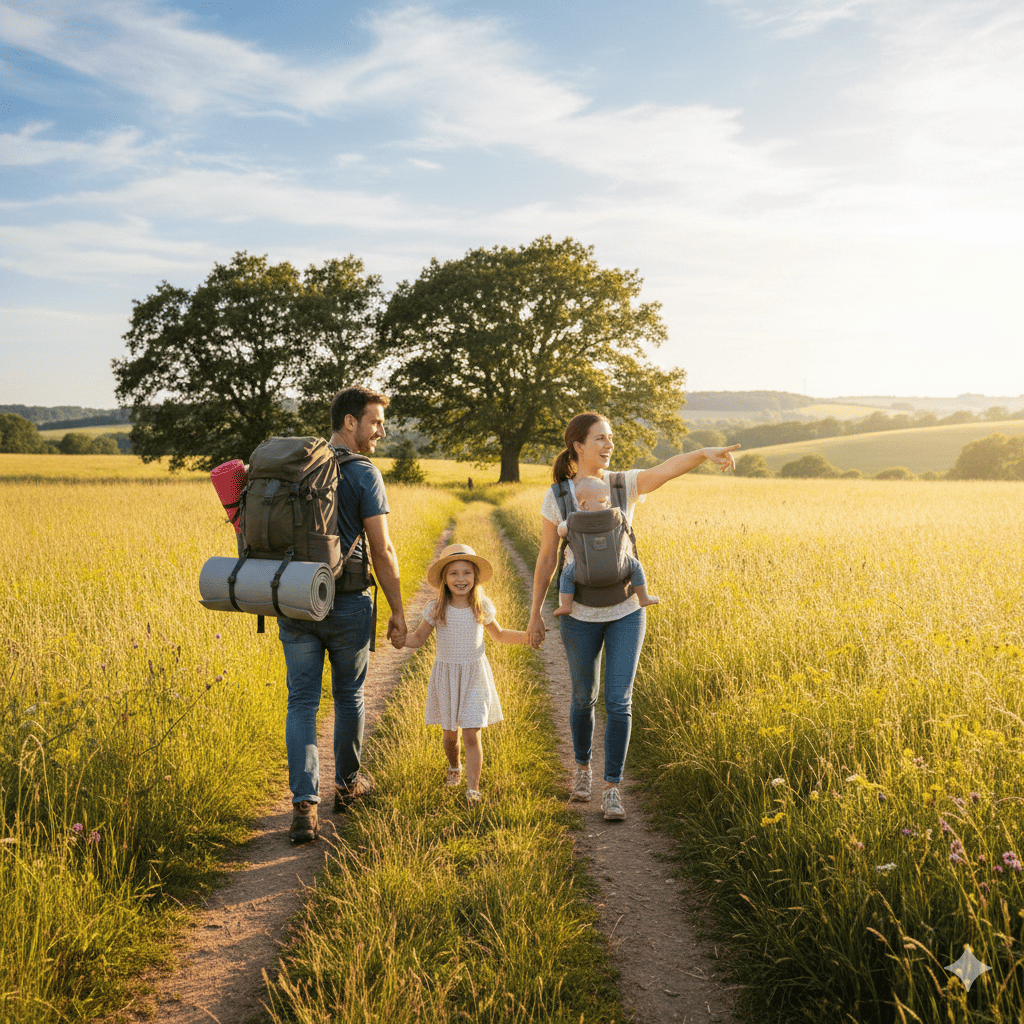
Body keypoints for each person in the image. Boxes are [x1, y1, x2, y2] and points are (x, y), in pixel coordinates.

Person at [527, 413, 739, 821]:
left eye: (611, 438)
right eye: (600, 439)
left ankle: (612, 787)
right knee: (582, 697)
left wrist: (702, 453)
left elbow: (667, 470)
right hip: (579, 614)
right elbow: (547, 558)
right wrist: (536, 613)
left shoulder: (625, 484)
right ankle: (583, 769)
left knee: (618, 701)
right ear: (578, 445)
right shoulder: (558, 496)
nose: (609, 445)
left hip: (626, 609)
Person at [282, 386, 408, 844]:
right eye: (374, 421)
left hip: (295, 601)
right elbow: (383, 548)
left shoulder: (298, 466)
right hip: (350, 601)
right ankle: (348, 785)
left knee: (301, 702)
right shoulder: (364, 473)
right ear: (349, 422)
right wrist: (397, 610)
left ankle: (304, 805)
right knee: (349, 698)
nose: (381, 430)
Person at [404, 543, 529, 804]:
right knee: (451, 737)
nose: (461, 579)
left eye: (466, 573)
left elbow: (501, 634)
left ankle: (473, 790)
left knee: (471, 733)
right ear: (444, 579)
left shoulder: (480, 605)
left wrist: (528, 637)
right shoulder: (436, 608)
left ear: (475, 576)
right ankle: (454, 766)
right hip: (448, 676)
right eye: (453, 573)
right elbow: (417, 639)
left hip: (474, 676)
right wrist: (398, 639)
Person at [552, 475, 659, 618]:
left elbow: (562, 530)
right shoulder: (615, 516)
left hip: (583, 571)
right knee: (636, 566)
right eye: (603, 500)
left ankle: (566, 605)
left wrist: (563, 527)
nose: (608, 503)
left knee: (566, 575)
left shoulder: (573, 520)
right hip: (620, 568)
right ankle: (643, 597)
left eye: (608, 499)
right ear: (584, 505)